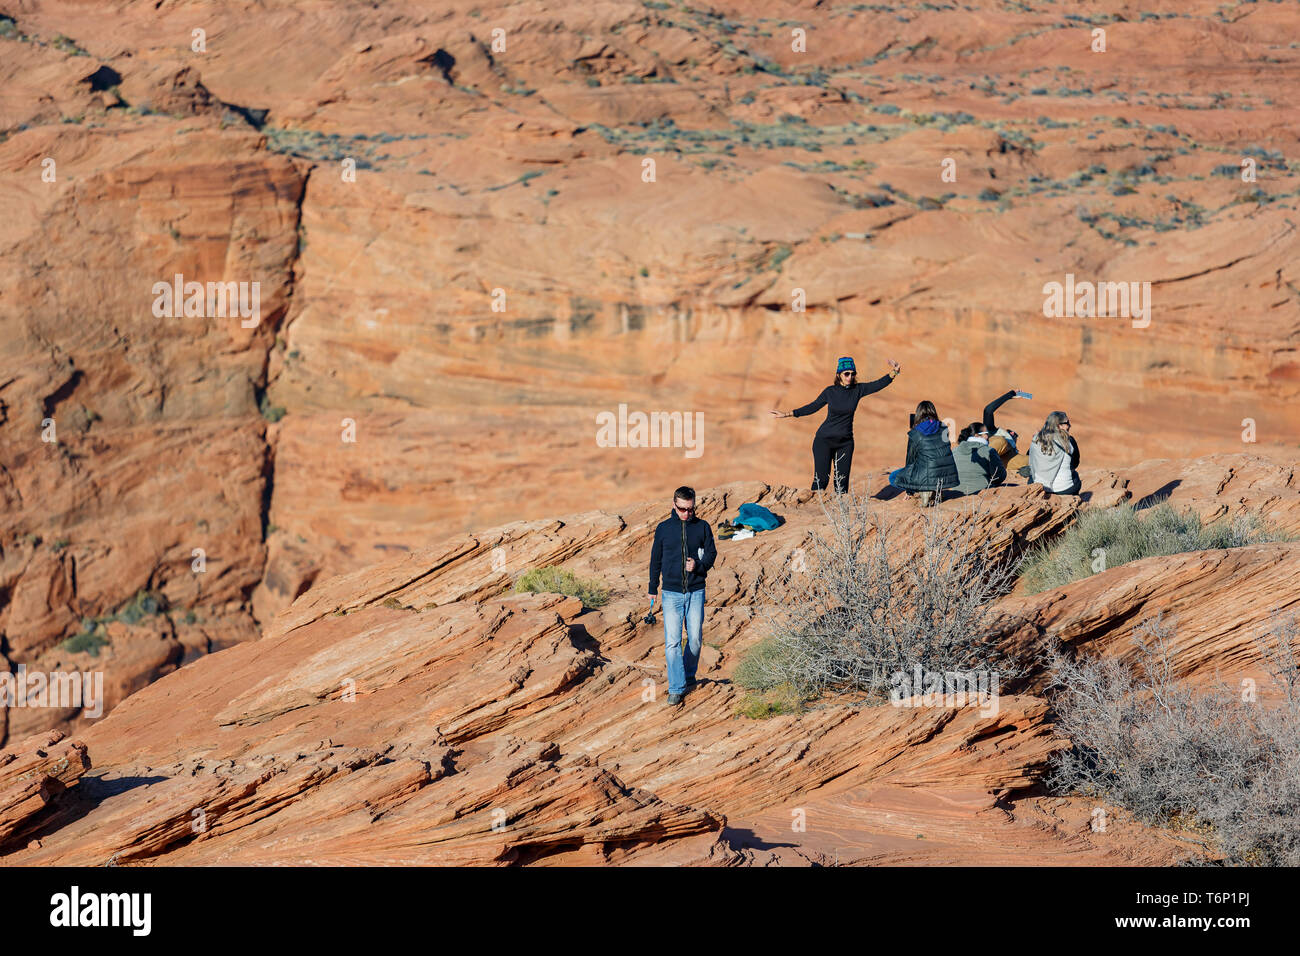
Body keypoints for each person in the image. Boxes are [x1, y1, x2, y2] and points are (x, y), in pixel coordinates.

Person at [771, 355, 901, 494]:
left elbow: (878, 384)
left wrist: (894, 372)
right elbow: (813, 406)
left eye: (853, 374)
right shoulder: (830, 391)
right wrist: (787, 414)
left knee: (841, 483)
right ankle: (815, 510)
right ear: (839, 375)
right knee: (821, 481)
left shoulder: (858, 390)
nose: (850, 377)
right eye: (846, 374)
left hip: (845, 443)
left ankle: (839, 515)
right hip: (824, 441)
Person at [647, 486, 717, 706]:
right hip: (671, 593)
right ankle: (676, 687)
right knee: (672, 643)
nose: (686, 514)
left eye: (690, 509)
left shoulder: (702, 527)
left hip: (696, 591)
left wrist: (699, 565)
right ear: (673, 505)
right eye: (682, 509)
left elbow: (712, 553)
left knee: (695, 639)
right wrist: (652, 587)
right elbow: (655, 559)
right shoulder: (663, 529)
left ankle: (688, 675)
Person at [888, 400, 960, 505]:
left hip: (926, 476)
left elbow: (910, 460)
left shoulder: (915, 433)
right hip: (947, 476)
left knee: (893, 477)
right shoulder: (944, 427)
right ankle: (935, 490)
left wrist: (909, 490)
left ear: (918, 414)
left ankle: (925, 490)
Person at [1028, 411, 1081, 495]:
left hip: (1040, 487)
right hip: (1064, 489)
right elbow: (1075, 464)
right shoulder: (1069, 441)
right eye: (1067, 423)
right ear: (1058, 425)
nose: (1069, 425)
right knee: (1075, 476)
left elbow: (1030, 458)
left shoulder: (1036, 438)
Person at [952, 421, 1007, 495]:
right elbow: (1000, 476)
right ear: (977, 435)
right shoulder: (989, 451)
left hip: (956, 492)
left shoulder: (954, 451)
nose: (988, 436)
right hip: (980, 493)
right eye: (986, 434)